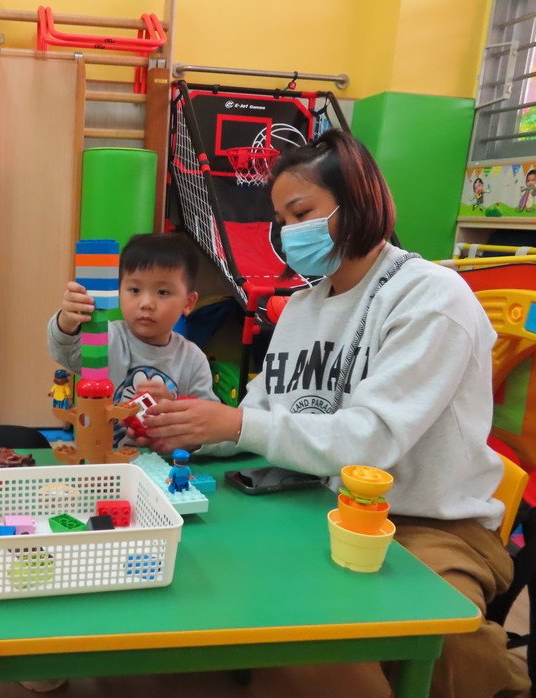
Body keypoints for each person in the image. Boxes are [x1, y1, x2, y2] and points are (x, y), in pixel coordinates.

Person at [138, 129, 530, 697]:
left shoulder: (430, 297)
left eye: (301, 213)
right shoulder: (302, 306)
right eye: (281, 221)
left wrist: (237, 424)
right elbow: (262, 413)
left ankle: (496, 680)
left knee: (405, 642)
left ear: (360, 201)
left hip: (427, 524)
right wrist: (192, 428)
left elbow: (371, 441)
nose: (289, 233)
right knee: (247, 608)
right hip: (319, 506)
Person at [47, 232, 217, 425]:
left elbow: (208, 422)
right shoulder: (106, 337)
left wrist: (174, 406)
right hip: (100, 443)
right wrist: (67, 321)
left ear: (188, 302)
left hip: (166, 445)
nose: (146, 304)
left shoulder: (193, 361)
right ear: (119, 291)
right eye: (135, 290)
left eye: (163, 292)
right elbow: (65, 351)